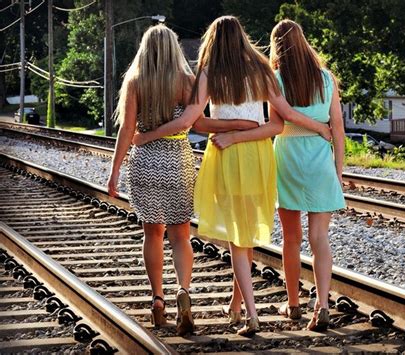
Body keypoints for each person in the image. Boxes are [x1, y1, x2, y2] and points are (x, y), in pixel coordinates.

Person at [133, 16, 332, 336]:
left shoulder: (209, 74)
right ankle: (236, 305)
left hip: (225, 157)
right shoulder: (263, 71)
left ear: (214, 40)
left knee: (237, 239)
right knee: (245, 234)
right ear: (242, 39)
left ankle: (246, 311)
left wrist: (149, 134)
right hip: (258, 158)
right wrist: (320, 127)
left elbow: (192, 123)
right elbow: (280, 123)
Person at [213, 19, 345, 332]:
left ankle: (294, 304)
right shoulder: (327, 79)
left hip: (287, 157)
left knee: (291, 237)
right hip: (320, 159)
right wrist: (338, 171)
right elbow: (337, 128)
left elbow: (277, 121)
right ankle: (323, 304)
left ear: (277, 47)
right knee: (319, 238)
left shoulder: (275, 79)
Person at [107, 24, 201, 336]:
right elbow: (194, 122)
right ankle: (183, 290)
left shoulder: (135, 81)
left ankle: (158, 299)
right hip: (178, 160)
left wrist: (115, 170)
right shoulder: (188, 81)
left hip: (146, 162)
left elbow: (126, 129)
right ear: (175, 49)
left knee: (153, 234)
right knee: (180, 235)